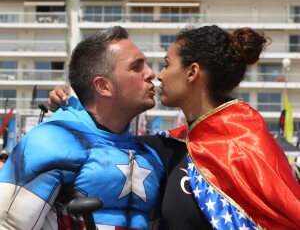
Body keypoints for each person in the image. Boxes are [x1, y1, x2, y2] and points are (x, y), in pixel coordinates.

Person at [48, 25, 300, 230]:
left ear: (192, 73)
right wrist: (74, 108)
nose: (158, 75)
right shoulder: (168, 146)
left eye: (167, 64)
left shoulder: (247, 145)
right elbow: (106, 134)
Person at [0, 26, 164, 230]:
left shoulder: (153, 154)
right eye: (136, 67)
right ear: (103, 86)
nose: (151, 73)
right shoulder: (52, 141)